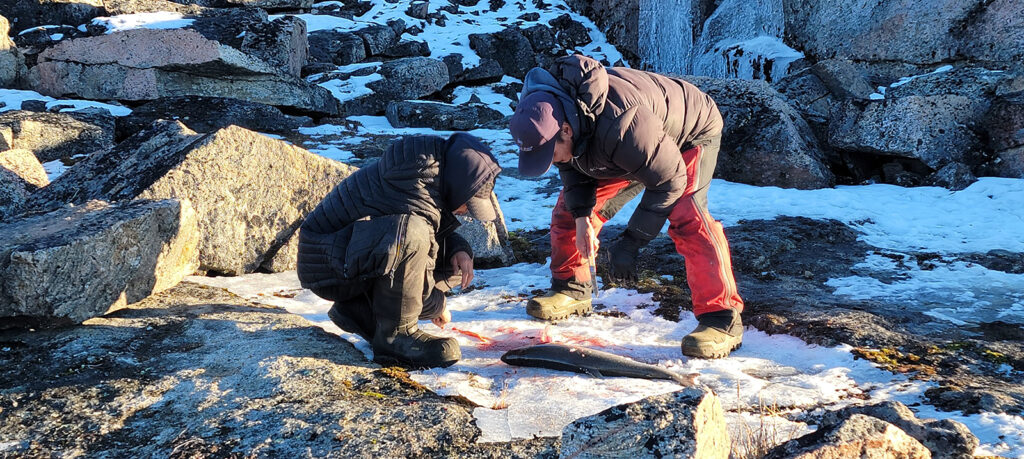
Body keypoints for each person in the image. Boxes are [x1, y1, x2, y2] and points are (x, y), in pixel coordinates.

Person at [508, 54, 744, 359]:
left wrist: (631, 243)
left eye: (550, 154)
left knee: (688, 215)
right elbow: (571, 168)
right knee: (568, 210)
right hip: (622, 148)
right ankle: (572, 288)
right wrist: (582, 219)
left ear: (565, 130)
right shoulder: (546, 111)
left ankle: (722, 319)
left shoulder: (622, 124)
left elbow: (669, 181)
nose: (551, 162)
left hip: (686, 134)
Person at [297, 133, 501, 368]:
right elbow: (412, 245)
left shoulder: (427, 178)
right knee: (411, 234)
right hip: (327, 264)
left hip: (350, 256)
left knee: (452, 265)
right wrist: (438, 304)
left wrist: (458, 249)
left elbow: (427, 243)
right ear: (458, 184)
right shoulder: (412, 186)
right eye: (469, 202)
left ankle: (359, 312)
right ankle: (396, 337)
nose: (466, 211)